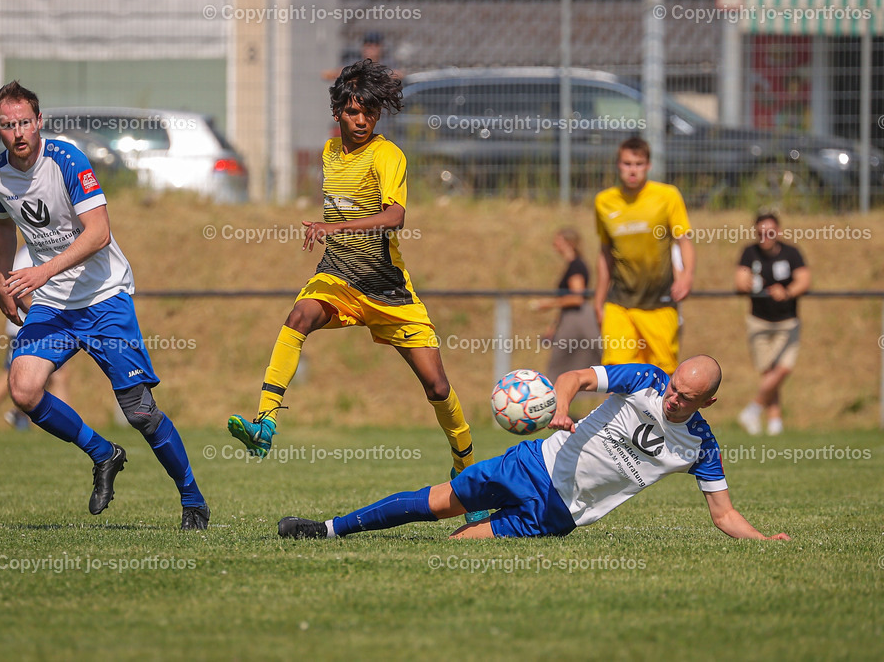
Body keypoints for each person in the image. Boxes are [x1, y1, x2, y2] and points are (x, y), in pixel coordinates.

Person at [227, 60, 488, 522]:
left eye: (369, 111)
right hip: (340, 277)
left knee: (437, 386)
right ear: (338, 114)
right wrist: (332, 235)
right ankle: (265, 421)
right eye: (353, 111)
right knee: (298, 317)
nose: (362, 119)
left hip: (388, 289)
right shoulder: (330, 153)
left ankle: (467, 472)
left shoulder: (388, 156)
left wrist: (335, 225)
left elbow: (395, 217)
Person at [0, 81, 209, 529]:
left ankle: (193, 500)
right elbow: (2, 225)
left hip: (105, 297)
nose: (19, 132)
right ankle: (103, 453)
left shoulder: (67, 160)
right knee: (23, 389)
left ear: (39, 121)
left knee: (141, 412)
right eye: (8, 125)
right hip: (53, 306)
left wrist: (39, 272)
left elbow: (98, 233)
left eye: (25, 122)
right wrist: (1, 278)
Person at [277, 355, 791, 542]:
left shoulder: (701, 446)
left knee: (460, 546)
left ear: (711, 401)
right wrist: (562, 406)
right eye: (675, 387)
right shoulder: (645, 379)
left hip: (560, 511)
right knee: (437, 503)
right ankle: (327, 529)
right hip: (533, 462)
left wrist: (764, 540)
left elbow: (722, 513)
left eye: (687, 396)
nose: (674, 398)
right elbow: (572, 376)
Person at [594, 137, 695, 375]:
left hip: (658, 301)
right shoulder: (604, 202)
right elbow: (605, 253)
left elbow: (684, 240)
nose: (633, 170)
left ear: (648, 165)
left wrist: (687, 276)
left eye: (638, 164)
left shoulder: (667, 196)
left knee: (661, 375)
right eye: (627, 163)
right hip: (620, 302)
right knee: (616, 373)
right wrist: (598, 300)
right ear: (618, 165)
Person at [0, 246, 71, 433]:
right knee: (13, 376)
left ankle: (22, 416)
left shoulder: (43, 251)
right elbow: (22, 294)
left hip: (43, 326)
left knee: (53, 376)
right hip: (26, 327)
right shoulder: (27, 255)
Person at [734, 213, 810, 436]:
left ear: (778, 232)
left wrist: (786, 292)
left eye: (769, 232)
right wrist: (747, 283)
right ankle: (775, 422)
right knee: (768, 372)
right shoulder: (750, 253)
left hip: (787, 322)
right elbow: (740, 280)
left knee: (784, 368)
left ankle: (753, 409)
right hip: (759, 321)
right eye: (760, 233)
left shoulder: (791, 253)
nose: (765, 237)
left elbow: (804, 280)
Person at [530, 227, 601, 386]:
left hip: (577, 319)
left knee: (559, 364)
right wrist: (554, 327)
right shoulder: (573, 265)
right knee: (562, 364)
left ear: (569, 243)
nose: (555, 244)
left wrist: (548, 304)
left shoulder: (576, 266)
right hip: (571, 318)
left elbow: (577, 298)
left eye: (558, 240)